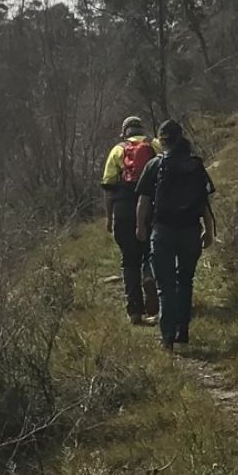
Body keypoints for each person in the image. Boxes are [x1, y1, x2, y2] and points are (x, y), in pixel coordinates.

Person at [135, 119, 216, 350]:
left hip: (163, 230)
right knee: (185, 281)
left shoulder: (155, 165)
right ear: (181, 138)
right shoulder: (195, 165)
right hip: (190, 230)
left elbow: (143, 199)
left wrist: (140, 226)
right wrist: (208, 230)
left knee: (165, 285)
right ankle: (183, 330)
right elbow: (203, 202)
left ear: (162, 141)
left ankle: (167, 336)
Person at [99, 115, 159, 325]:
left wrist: (109, 217)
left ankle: (134, 311)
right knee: (152, 252)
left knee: (129, 260)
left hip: (123, 209)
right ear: (141, 129)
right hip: (152, 206)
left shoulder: (117, 151)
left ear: (125, 132)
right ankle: (150, 277)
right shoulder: (155, 145)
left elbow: (107, 188)